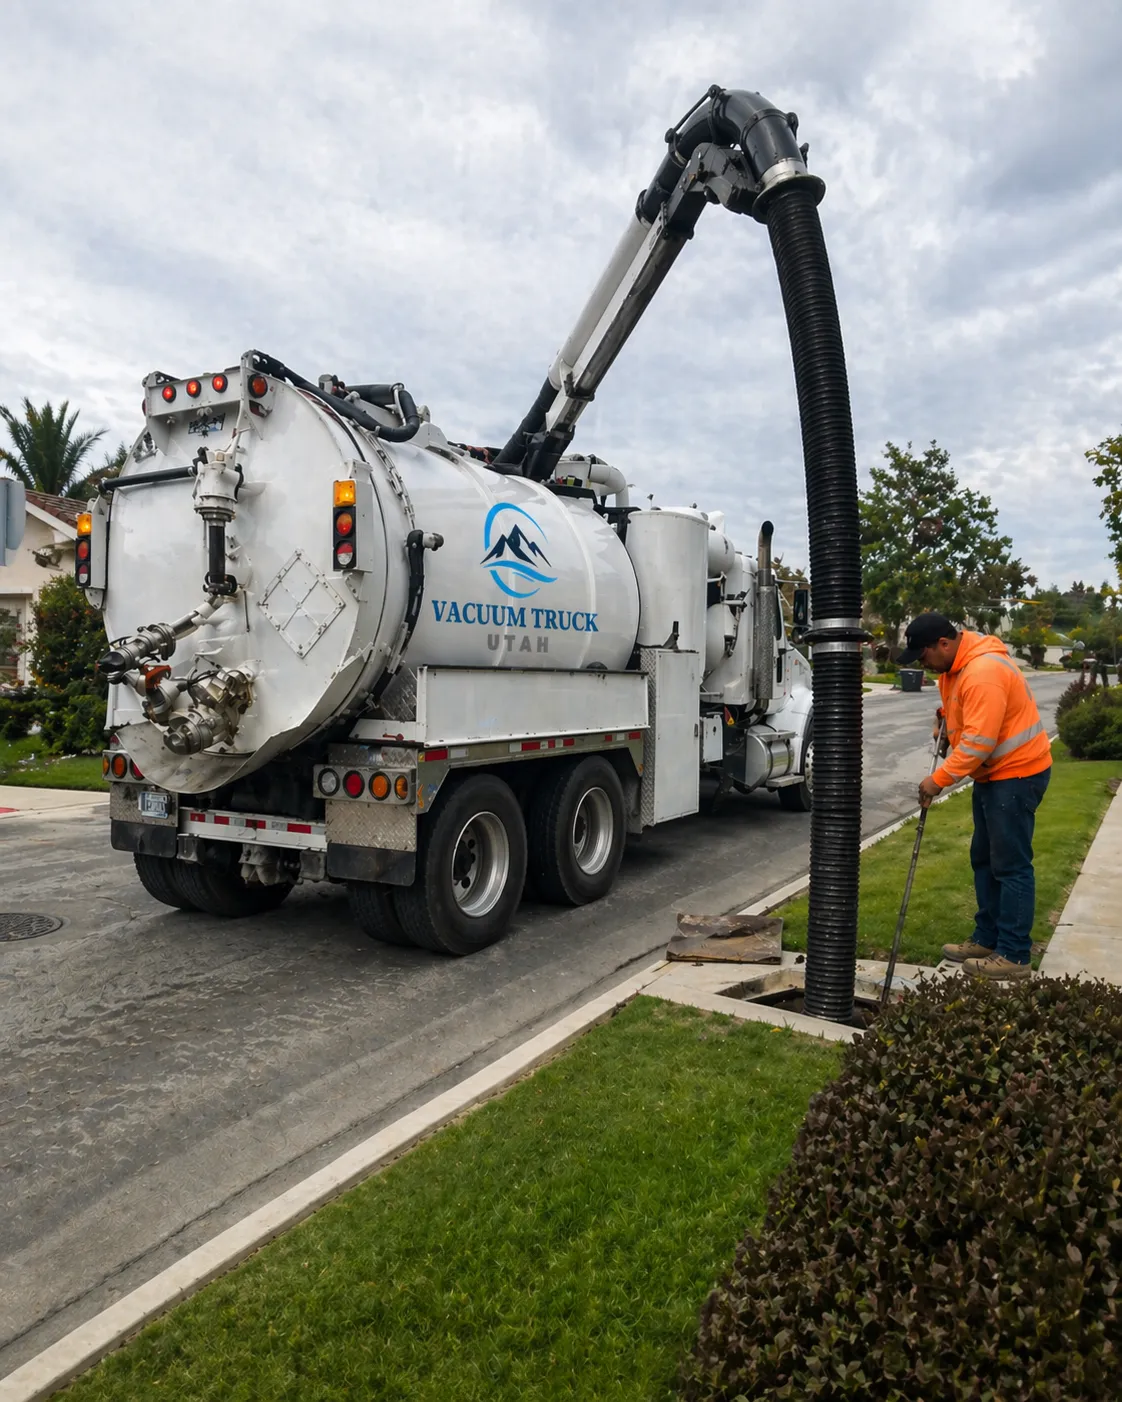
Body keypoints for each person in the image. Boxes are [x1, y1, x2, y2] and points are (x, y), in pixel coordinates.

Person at [897, 613, 1052, 981]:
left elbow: (979, 743)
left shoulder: (984, 672)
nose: (922, 664)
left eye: (923, 655)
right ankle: (987, 938)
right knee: (983, 857)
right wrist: (944, 719)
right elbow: (959, 707)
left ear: (944, 644)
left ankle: (1014, 955)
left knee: (1011, 865)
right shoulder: (954, 668)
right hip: (994, 774)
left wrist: (937, 780)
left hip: (1017, 773)